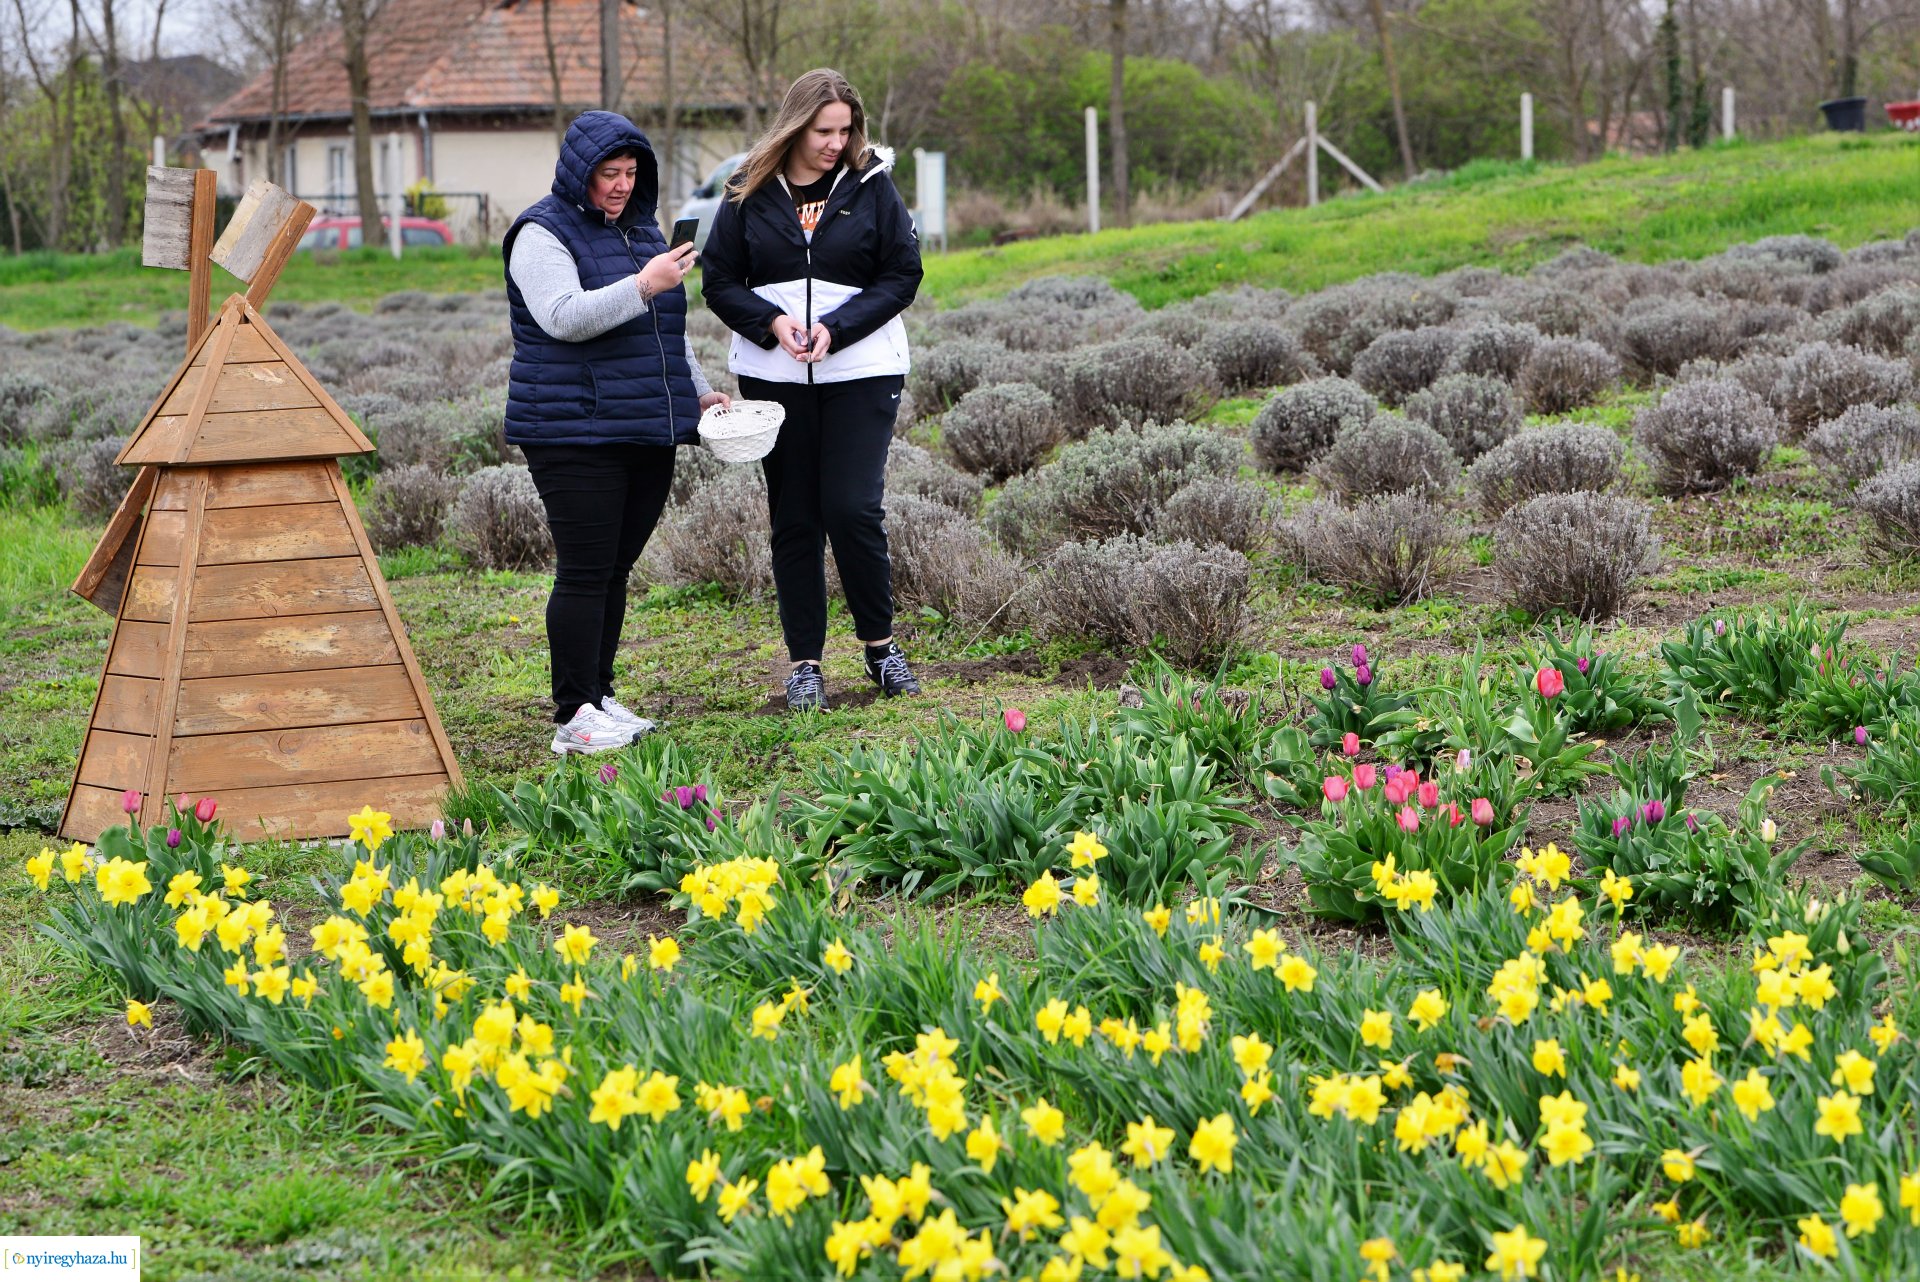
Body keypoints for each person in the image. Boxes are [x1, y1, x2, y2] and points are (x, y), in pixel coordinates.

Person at [503, 110, 730, 754]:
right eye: (610, 173)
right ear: (581, 171)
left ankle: (598, 697)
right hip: (572, 430)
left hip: (643, 427)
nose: (622, 185)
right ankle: (572, 715)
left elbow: (663, 331)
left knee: (616, 568)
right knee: (584, 570)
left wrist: (696, 391)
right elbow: (562, 317)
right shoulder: (540, 233)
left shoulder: (638, 230)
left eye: (632, 173)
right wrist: (642, 283)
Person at [700, 68, 925, 712]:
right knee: (795, 517)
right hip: (774, 378)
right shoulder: (747, 191)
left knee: (852, 508)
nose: (836, 142)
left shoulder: (872, 187)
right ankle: (805, 665)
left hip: (863, 371)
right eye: (824, 130)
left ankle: (881, 650)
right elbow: (719, 280)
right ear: (795, 126)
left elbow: (901, 274)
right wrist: (771, 324)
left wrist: (837, 328)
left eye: (845, 129)